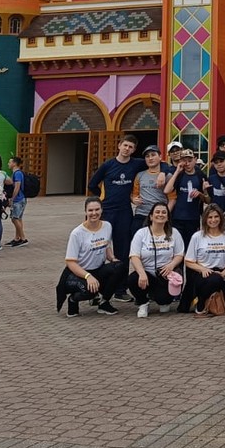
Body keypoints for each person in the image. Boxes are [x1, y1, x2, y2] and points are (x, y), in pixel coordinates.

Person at [87, 135, 147, 293]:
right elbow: (92, 184)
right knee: (100, 248)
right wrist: (102, 197)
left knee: (123, 250)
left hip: (124, 212)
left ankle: (120, 288)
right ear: (119, 145)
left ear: (134, 150)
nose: (127, 149)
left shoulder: (136, 164)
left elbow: (156, 163)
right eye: (125, 145)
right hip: (107, 212)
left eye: (131, 147)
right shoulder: (108, 165)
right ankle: (95, 288)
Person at [60, 197, 124, 317]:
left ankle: (104, 302)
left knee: (120, 267)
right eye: (90, 210)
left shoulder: (107, 226)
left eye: (97, 209)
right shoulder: (77, 233)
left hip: (98, 269)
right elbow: (70, 262)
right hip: (79, 273)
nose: (94, 213)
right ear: (85, 212)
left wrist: (113, 259)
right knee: (90, 290)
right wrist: (88, 276)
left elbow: (107, 246)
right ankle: (73, 300)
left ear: (101, 210)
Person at [180, 204, 225, 316]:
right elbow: (188, 261)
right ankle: (200, 302)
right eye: (210, 217)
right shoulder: (197, 236)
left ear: (221, 218)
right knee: (214, 280)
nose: (213, 220)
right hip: (201, 274)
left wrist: (223, 273)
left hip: (221, 273)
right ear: (205, 219)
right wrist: (202, 269)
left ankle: (211, 297)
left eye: (216, 217)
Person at [127, 202, 184, 316]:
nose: (160, 214)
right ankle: (143, 303)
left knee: (163, 301)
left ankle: (163, 300)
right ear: (151, 216)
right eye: (157, 212)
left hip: (165, 274)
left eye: (164, 212)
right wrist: (142, 273)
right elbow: (134, 256)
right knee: (132, 279)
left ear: (168, 217)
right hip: (147, 274)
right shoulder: (141, 233)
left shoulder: (174, 233)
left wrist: (171, 265)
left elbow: (179, 254)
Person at [132, 145, 174, 239]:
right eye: (147, 156)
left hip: (159, 216)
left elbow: (172, 199)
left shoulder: (167, 176)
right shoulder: (140, 175)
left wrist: (165, 213)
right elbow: (134, 195)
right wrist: (134, 199)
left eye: (153, 155)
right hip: (141, 214)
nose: (150, 158)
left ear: (160, 157)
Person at [168, 149, 204, 244]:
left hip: (193, 217)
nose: (187, 163)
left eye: (190, 160)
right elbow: (166, 190)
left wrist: (200, 194)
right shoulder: (179, 174)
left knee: (191, 245)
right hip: (177, 217)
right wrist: (177, 172)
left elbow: (208, 199)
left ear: (195, 160)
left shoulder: (200, 175)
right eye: (184, 160)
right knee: (177, 246)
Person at [5, 155, 28, 247]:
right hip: (21, 198)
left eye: (10, 162)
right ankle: (17, 238)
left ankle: (23, 238)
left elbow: (17, 187)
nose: (8, 164)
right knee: (18, 218)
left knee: (14, 218)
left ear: (14, 163)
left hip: (18, 199)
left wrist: (12, 199)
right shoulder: (17, 173)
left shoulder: (17, 173)